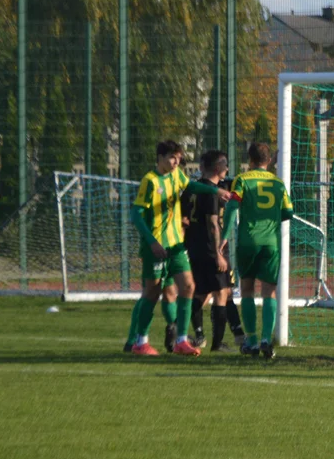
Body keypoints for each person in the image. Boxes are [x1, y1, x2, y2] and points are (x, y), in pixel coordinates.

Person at [124, 140, 231, 356]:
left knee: (188, 287)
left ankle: (182, 340)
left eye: (179, 158)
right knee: (152, 293)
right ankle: (140, 342)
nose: (176, 162)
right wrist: (152, 242)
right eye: (172, 158)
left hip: (176, 245)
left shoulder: (177, 175)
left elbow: (190, 186)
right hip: (156, 246)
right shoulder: (150, 181)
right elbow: (135, 214)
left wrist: (215, 191)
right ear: (160, 157)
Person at [223, 142, 294, 358]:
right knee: (269, 291)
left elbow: (232, 207)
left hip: (248, 241)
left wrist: (224, 237)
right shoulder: (278, 183)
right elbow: (288, 212)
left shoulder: (242, 180)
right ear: (269, 160)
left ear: (250, 160)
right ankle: (266, 339)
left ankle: (251, 340)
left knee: (246, 290)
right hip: (271, 243)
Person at [180, 150, 235, 353]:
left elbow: (184, 218)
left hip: (193, 247)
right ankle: (217, 343)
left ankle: (177, 327)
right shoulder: (210, 191)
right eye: (225, 166)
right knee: (220, 293)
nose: (227, 169)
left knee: (202, 293)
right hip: (210, 249)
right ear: (218, 168)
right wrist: (218, 253)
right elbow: (213, 224)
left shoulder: (190, 189)